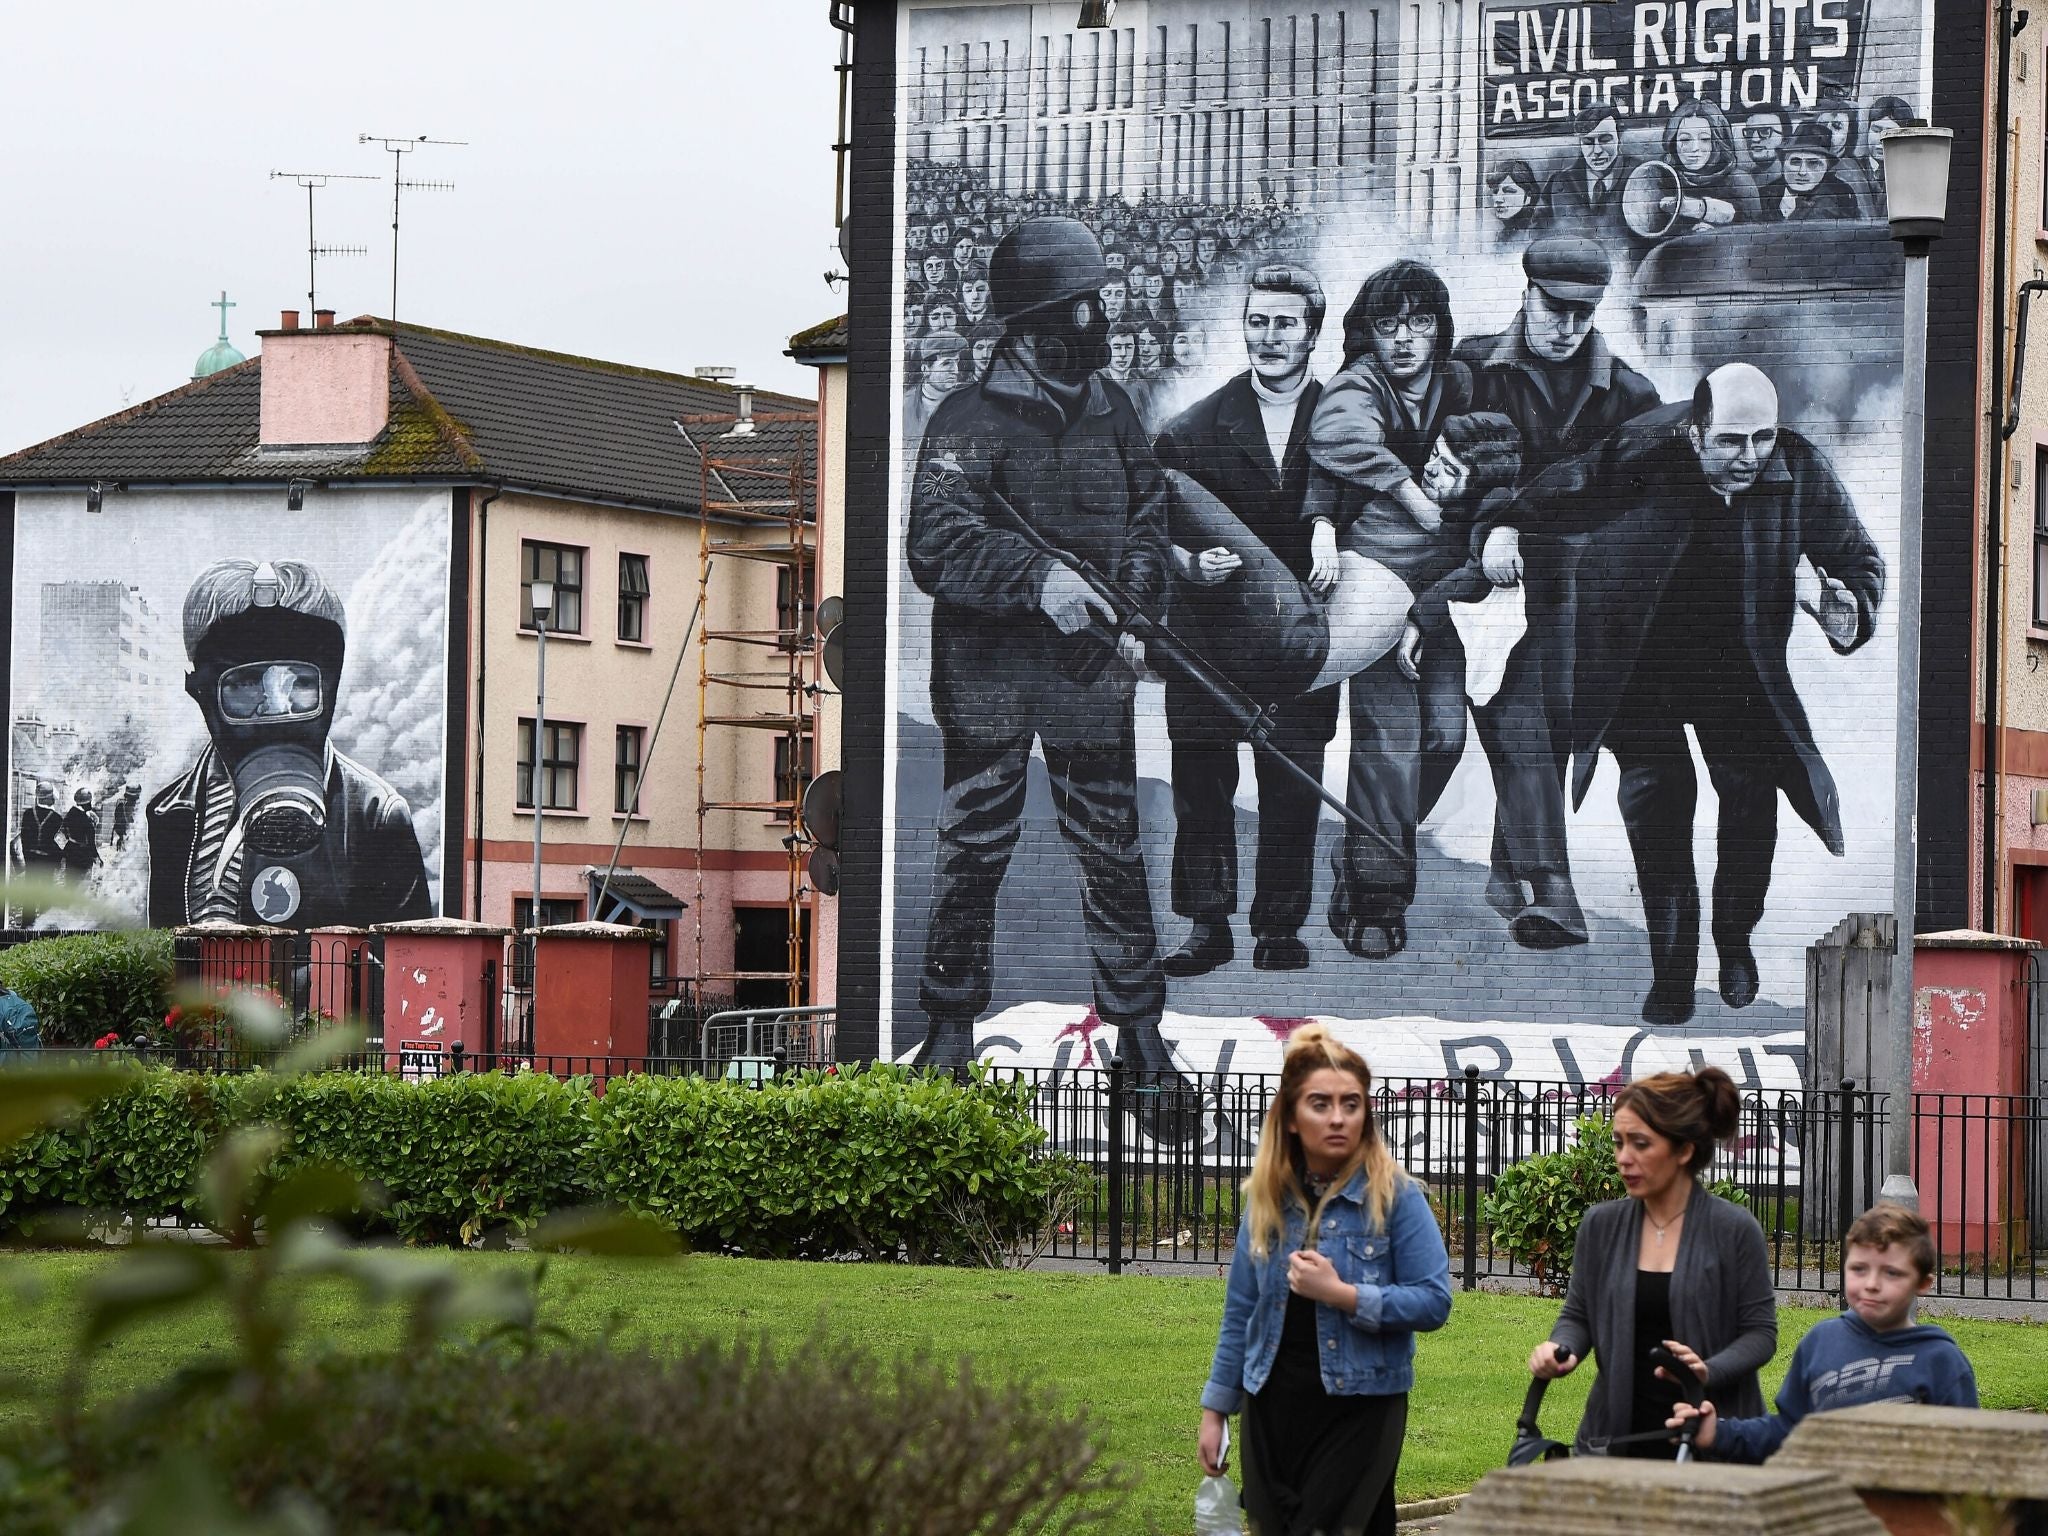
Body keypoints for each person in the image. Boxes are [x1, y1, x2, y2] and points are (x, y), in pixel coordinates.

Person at [1481, 363, 1884, 1024]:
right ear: (1695, 434)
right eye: (1731, 441)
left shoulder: (1797, 468)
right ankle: (1673, 973)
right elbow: (1567, 485)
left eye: (1762, 438)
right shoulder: (1643, 449)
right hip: (1640, 661)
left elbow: (1858, 557)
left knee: (1751, 803)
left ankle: (1735, 941)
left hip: (1737, 669)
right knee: (1659, 804)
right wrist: (1503, 526)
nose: (1750, 456)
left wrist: (1849, 610)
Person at [905, 215, 1181, 1090]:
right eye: (1083, 306)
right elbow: (936, 542)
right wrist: (1038, 579)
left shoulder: (1114, 414)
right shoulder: (968, 418)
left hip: (1089, 680)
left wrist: (1135, 607)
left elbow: (1148, 514)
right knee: (971, 852)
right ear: (1035, 325)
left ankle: (1138, 1038)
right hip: (988, 686)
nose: (1099, 321)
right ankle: (950, 1025)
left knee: (1113, 853)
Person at [1453, 238, 1659, 950]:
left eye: (1584, 312)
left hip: (1575, 596)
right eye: (1555, 308)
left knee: (1550, 709)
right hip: (1475, 579)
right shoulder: (1473, 369)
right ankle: (1551, 887)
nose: (1568, 326)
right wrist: (1492, 526)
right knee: (1522, 705)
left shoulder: (1630, 395)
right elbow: (1441, 469)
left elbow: (1638, 510)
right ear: (1526, 293)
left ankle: (1510, 873)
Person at [1153, 264, 1334, 977]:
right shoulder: (1192, 430)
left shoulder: (1347, 423)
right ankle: (1207, 924)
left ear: (1313, 333)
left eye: (1286, 323)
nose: (1269, 337)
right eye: (1258, 321)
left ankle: (1280, 926)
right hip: (1207, 638)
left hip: (1302, 643)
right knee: (1202, 786)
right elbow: (1145, 529)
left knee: (1293, 784)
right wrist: (1188, 567)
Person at [1199, 1025, 1452, 1535]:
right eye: (1320, 1103)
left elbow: (1434, 1300)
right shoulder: (1268, 1199)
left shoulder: (1395, 1196)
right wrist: (1216, 1409)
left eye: (1351, 1104)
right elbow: (1241, 1311)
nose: (1338, 1117)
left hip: (1361, 1407)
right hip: (1273, 1406)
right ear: (1291, 1117)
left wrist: (1343, 1294)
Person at [1301, 260, 1473, 960]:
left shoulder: (1463, 384)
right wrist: (1405, 495)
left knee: (1445, 741)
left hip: (1445, 591)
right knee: (1389, 746)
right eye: (1388, 323)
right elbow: (1334, 443)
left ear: (1441, 328)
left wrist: (1426, 613)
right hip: (1377, 577)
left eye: (1420, 322)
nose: (1404, 339)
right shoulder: (1359, 385)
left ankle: (1372, 845)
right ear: (1368, 331)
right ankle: (1376, 897)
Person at [147, 559, 432, 928]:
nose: (276, 710)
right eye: (247, 683)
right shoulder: (171, 814)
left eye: (299, 682)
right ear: (201, 693)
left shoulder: (375, 817)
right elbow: (163, 961)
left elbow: (408, 967)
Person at [1526, 1067, 1776, 1458]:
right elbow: (1579, 1315)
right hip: (1615, 1442)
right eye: (1619, 1142)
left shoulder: (1734, 1229)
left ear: (1684, 1150)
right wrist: (1562, 1348)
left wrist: (1707, 1370)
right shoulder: (1601, 1226)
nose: (1624, 1158)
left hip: (1712, 1441)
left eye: (1640, 1144)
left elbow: (1760, 1334)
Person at [1667, 1204, 1979, 1462]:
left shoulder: (1942, 1361)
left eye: (1892, 1273)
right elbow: (1787, 1433)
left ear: (1923, 1283)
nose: (1871, 1283)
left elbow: (1969, 1459)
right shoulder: (1820, 1343)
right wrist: (1718, 1432)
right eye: (1859, 1269)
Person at [1532, 104, 1638, 246]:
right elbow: (1536, 234)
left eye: (1605, 139)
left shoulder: (1641, 175)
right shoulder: (1558, 184)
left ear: (1620, 139)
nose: (1597, 150)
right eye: (1588, 142)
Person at [1656, 99, 1761, 235]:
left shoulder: (1739, 183)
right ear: (1673, 141)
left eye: (1705, 139)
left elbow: (1754, 237)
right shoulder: (1663, 180)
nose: (1695, 149)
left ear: (1717, 141)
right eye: (1685, 139)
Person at [1769, 122, 1863, 222]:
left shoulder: (1841, 196)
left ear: (1827, 167)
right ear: (1783, 164)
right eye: (1795, 161)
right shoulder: (1766, 193)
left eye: (1813, 163)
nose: (1802, 172)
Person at [1812, 84, 1877, 216]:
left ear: (1849, 135)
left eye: (1836, 127)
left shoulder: (1850, 174)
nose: (1827, 131)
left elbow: (1866, 221)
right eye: (1823, 124)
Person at [902, 330, 969, 446]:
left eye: (956, 362)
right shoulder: (905, 404)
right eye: (946, 363)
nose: (955, 371)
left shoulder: (967, 400)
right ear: (925, 369)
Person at [1486, 159, 1541, 244]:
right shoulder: (1504, 236)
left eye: (1509, 191)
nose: (1498, 199)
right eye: (1495, 191)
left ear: (1528, 197)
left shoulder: (1537, 234)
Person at [1740, 106, 1790, 194]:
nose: (1754, 139)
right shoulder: (1743, 180)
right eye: (1750, 132)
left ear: (1784, 139)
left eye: (1765, 131)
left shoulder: (1790, 185)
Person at [60, 788, 101, 887]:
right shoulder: (87, 821)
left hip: (70, 852)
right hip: (83, 855)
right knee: (82, 884)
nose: (91, 804)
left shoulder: (70, 814)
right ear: (86, 803)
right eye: (90, 802)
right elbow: (91, 844)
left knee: (70, 882)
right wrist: (97, 858)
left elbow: (63, 832)